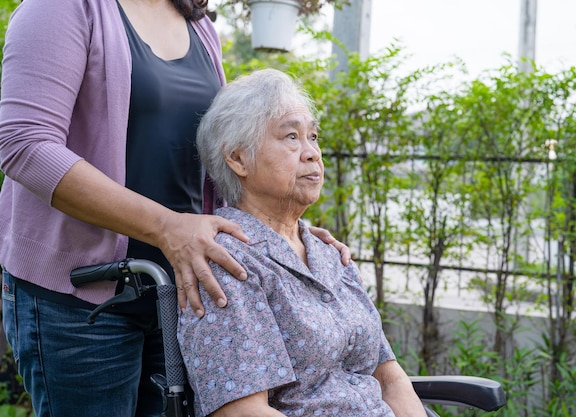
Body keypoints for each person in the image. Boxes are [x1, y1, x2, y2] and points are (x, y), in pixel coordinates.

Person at [0, 1, 348, 416]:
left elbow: (220, 157)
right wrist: (167, 227)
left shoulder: (197, 25)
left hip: (183, 295)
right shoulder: (62, 9)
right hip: (82, 299)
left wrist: (284, 233)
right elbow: (25, 144)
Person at [178, 68, 428, 417]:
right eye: (291, 137)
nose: (312, 153)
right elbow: (241, 412)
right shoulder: (228, 261)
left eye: (313, 136)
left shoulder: (329, 254)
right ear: (237, 159)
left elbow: (389, 377)